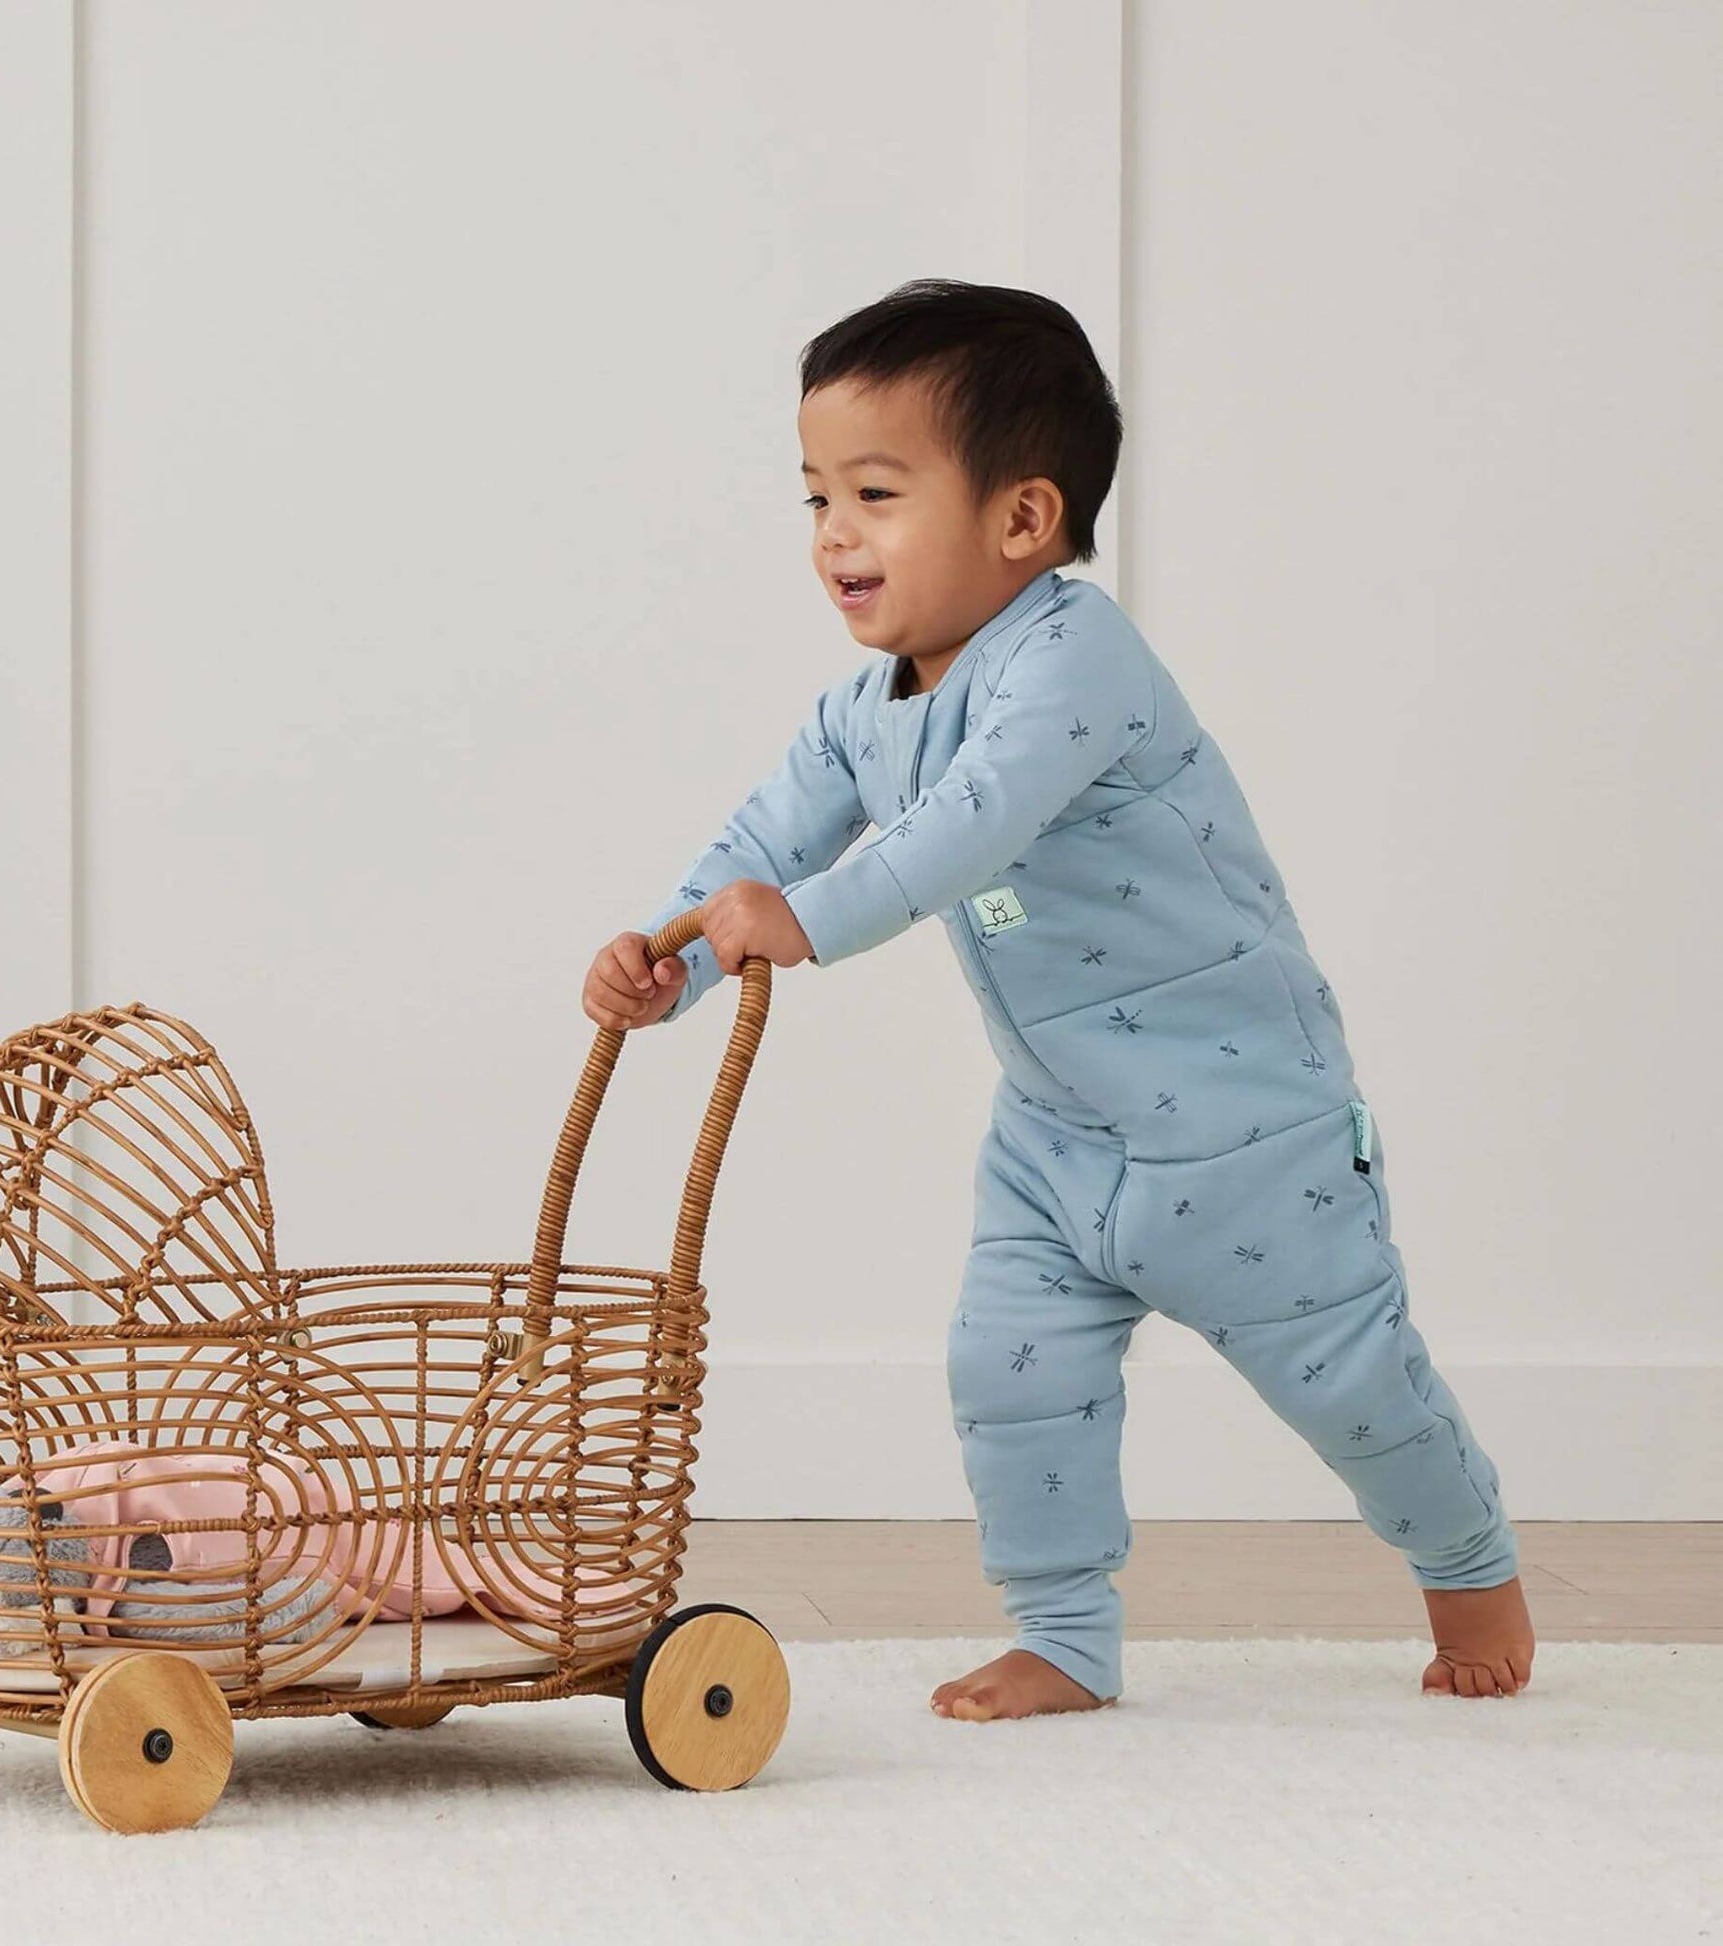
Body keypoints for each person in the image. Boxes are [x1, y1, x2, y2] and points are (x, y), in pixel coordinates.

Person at [581, 279, 1535, 1721]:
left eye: (876, 492)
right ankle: (1066, 1632)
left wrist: (803, 925)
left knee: (1347, 1380)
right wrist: (677, 955)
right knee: (1005, 1375)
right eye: (815, 495)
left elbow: (969, 823)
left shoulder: (1077, 663)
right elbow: (763, 842)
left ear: (1022, 520)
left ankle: (1466, 1558)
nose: (834, 532)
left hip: (1244, 1134)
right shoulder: (866, 706)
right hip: (1057, 1137)